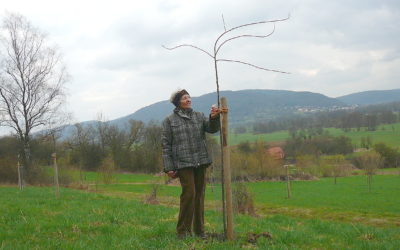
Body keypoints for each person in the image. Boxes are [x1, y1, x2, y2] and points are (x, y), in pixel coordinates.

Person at [161, 89, 225, 239]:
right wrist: (168, 167)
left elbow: (212, 129)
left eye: (189, 97)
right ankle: (183, 232)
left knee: (199, 196)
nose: (188, 100)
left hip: (201, 160)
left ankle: (199, 231)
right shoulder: (169, 121)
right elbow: (166, 144)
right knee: (189, 194)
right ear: (178, 102)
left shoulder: (199, 116)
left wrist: (214, 117)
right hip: (183, 163)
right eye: (184, 98)